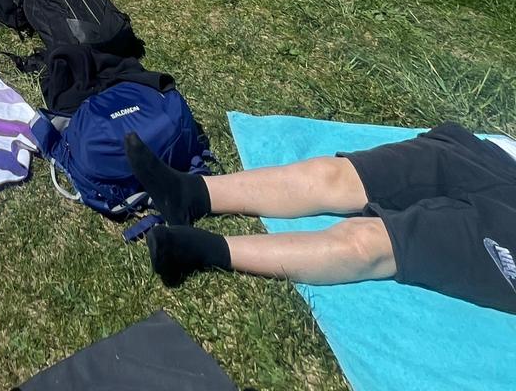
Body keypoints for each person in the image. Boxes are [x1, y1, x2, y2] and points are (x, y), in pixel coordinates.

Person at [126, 125, 516, 315]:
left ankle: (205, 250)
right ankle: (190, 194)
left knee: (372, 244)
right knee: (334, 176)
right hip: (497, 157)